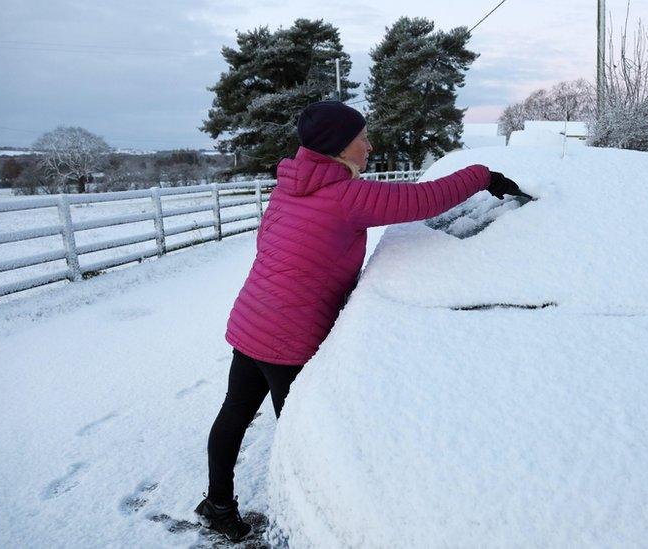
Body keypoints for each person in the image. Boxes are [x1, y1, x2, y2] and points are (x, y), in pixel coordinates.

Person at [194, 100, 527, 541]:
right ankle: (306, 523)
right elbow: (423, 199)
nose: (369, 145)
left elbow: (270, 244)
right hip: (289, 338)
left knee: (234, 414)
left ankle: (216, 504)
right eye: (361, 138)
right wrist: (482, 176)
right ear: (337, 146)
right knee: (301, 434)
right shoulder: (347, 197)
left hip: (252, 321)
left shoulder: (290, 185)